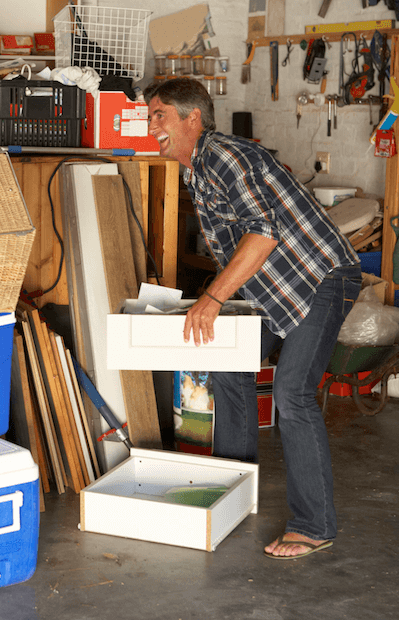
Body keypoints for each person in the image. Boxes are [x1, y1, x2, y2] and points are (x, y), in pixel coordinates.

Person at [145, 77, 361, 560]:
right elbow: (238, 245)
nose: (151, 124)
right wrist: (209, 296)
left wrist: (215, 298)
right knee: (228, 365)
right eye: (149, 116)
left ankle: (314, 525)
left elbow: (262, 234)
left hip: (322, 277)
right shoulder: (195, 170)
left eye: (160, 114)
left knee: (292, 391)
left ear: (192, 118)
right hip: (274, 289)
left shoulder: (222, 155)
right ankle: (236, 490)